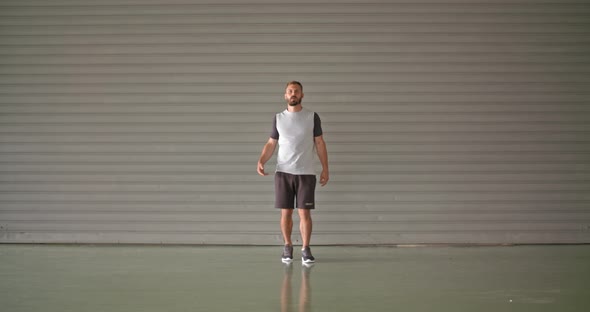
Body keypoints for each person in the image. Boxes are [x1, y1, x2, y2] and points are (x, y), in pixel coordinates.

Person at [257, 81, 329, 264]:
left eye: (296, 91)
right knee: (286, 213)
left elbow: (319, 143)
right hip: (283, 173)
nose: (293, 93)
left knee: (304, 213)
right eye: (290, 91)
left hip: (306, 173)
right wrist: (262, 160)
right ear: (285, 95)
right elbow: (271, 143)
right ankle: (287, 247)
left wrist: (325, 168)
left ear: (302, 95)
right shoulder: (279, 118)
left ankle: (305, 249)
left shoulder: (312, 117)